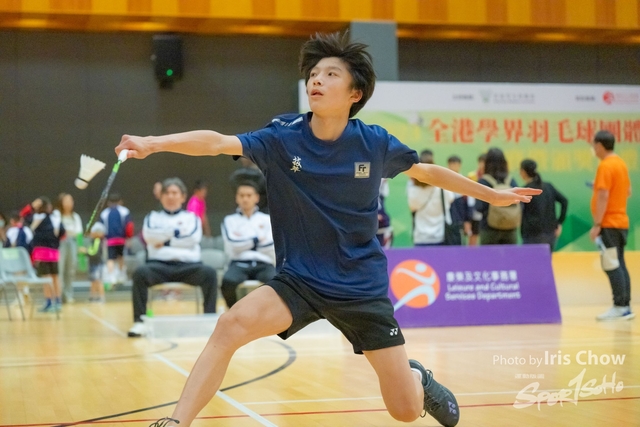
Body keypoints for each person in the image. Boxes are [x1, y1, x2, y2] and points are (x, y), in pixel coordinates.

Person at [116, 32, 540, 427]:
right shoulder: (282, 137)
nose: (316, 80)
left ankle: (418, 379)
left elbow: (426, 171)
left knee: (405, 411)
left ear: (355, 93)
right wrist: (153, 143)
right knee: (231, 325)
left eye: (331, 74)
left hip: (361, 286)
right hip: (300, 280)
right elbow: (217, 142)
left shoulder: (374, 142)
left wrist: (491, 195)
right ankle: (176, 421)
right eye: (313, 74)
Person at [127, 178, 218, 337]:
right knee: (140, 273)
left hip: (188, 267)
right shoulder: (152, 217)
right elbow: (150, 237)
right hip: (159, 266)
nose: (170, 196)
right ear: (161, 197)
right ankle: (139, 322)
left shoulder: (192, 218)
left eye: (175, 193)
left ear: (183, 197)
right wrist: (178, 237)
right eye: (167, 193)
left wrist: (164, 240)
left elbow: (192, 239)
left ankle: (209, 321)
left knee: (209, 273)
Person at [588, 130, 634, 322]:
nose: (593, 148)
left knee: (611, 264)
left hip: (609, 223)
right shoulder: (620, 163)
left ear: (599, 145)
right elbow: (628, 191)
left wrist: (598, 224)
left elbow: (604, 195)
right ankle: (625, 305)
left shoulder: (606, 165)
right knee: (619, 263)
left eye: (593, 145)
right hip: (621, 222)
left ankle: (620, 306)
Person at [221, 182, 276, 308]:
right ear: (236, 198)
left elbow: (271, 245)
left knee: (277, 282)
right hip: (239, 263)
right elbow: (232, 245)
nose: (245, 199)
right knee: (228, 281)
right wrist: (256, 241)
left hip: (264, 263)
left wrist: (244, 243)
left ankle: (268, 314)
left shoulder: (267, 219)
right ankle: (235, 311)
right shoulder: (229, 220)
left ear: (256, 197)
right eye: (242, 195)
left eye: (249, 195)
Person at [519, 159, 568, 251]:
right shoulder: (548, 186)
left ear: (523, 172)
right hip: (550, 232)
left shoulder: (525, 190)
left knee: (530, 260)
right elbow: (564, 201)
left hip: (531, 234)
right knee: (546, 259)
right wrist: (559, 222)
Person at [475, 148, 520, 245]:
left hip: (488, 228)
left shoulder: (484, 181)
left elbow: (479, 207)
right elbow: (519, 201)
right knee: (510, 255)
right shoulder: (511, 181)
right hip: (510, 228)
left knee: (489, 255)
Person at [408, 156, 455, 246]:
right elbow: (451, 199)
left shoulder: (413, 191)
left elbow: (412, 208)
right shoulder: (442, 189)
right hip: (440, 235)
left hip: (421, 237)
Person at [30, 197, 66, 312]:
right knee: (55, 277)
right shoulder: (55, 218)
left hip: (42, 252)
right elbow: (63, 232)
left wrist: (31, 206)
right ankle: (58, 302)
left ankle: (49, 302)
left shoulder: (37, 217)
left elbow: (23, 219)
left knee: (46, 277)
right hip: (54, 252)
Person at [55, 193, 83, 303]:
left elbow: (78, 233)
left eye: (71, 201)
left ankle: (68, 294)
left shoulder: (75, 217)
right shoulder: (57, 214)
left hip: (72, 244)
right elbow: (57, 230)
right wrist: (67, 232)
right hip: (60, 244)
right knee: (60, 269)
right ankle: (59, 294)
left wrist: (80, 246)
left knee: (70, 270)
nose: (69, 203)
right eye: (66, 201)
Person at [100, 192, 134, 285]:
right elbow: (129, 226)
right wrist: (129, 238)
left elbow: (101, 228)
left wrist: (103, 239)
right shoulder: (125, 211)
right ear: (120, 202)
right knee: (121, 257)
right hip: (121, 240)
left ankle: (111, 277)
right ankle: (121, 275)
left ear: (108, 203)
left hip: (110, 240)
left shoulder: (104, 213)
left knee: (110, 258)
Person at [81, 222, 106, 303]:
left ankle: (101, 297)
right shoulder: (93, 241)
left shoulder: (97, 241)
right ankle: (92, 297)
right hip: (93, 264)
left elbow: (94, 252)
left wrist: (85, 251)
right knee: (93, 281)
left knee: (98, 281)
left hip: (97, 264)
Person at [465, 153, 486, 245]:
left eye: (485, 162)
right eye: (481, 162)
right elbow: (466, 196)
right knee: (473, 236)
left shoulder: (489, 177)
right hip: (474, 211)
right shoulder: (472, 176)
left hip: (487, 212)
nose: (483, 165)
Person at [376, 178, 393, 249]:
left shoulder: (381, 197)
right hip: (371, 231)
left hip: (384, 229)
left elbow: (385, 193)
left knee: (385, 252)